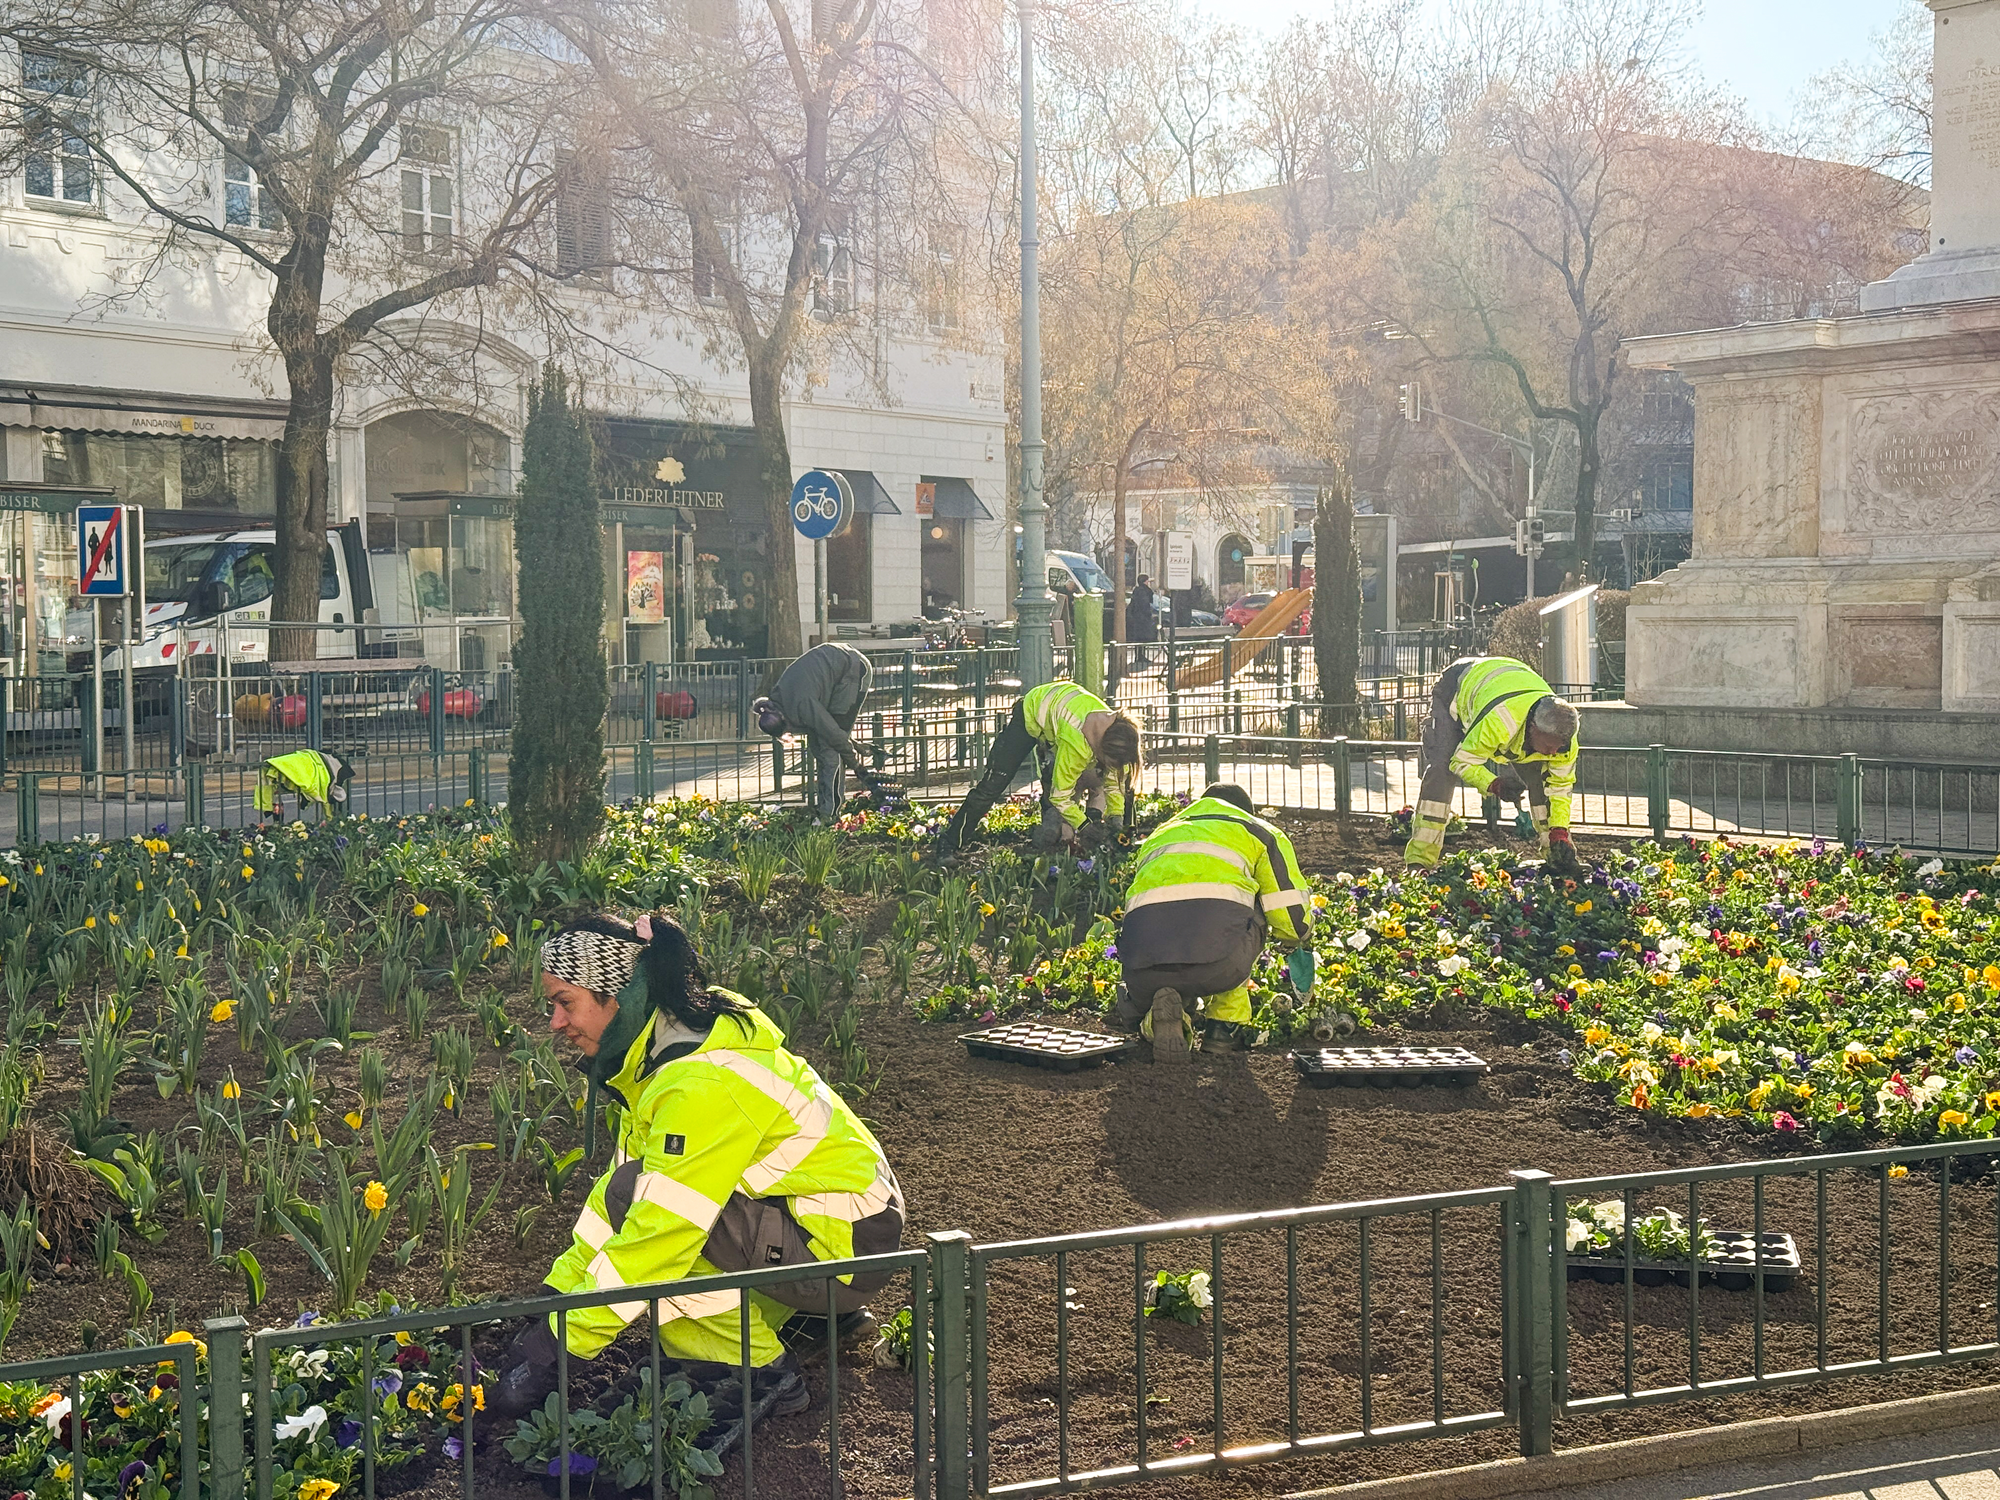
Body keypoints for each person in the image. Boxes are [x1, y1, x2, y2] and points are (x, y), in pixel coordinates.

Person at [492, 913, 905, 1430]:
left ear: (617, 996)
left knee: (674, 1258)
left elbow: (662, 1234)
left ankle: (755, 1370)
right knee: (638, 1201)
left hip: (842, 1252)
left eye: (565, 1002)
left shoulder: (700, 1080)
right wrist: (557, 1299)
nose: (555, 1023)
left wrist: (562, 1344)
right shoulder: (660, 1056)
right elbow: (618, 1199)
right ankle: (811, 1323)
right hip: (823, 1227)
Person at [1109, 783, 1313, 1056]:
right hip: (1219, 965)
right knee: (1245, 912)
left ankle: (1157, 1022)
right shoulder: (1257, 831)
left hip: (1140, 968)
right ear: (1245, 810)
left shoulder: (1161, 834)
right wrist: (1300, 941)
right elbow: (1290, 916)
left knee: (1186, 928)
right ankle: (1223, 1027)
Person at [1405, 656, 1582, 875]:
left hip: (1507, 684)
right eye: (1548, 746)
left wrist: (1560, 831)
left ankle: (1557, 855)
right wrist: (1494, 784)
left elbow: (1560, 788)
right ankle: (1419, 863)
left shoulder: (1564, 738)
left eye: (1559, 748)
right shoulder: (1500, 721)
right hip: (1456, 689)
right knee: (1442, 771)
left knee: (1542, 780)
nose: (1554, 753)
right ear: (1534, 728)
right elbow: (1462, 761)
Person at [933, 680, 1142, 856]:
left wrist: (1117, 823)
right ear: (1104, 749)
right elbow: (1060, 797)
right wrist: (1087, 827)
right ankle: (948, 844)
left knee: (1125, 787)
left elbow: (1115, 784)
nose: (1112, 768)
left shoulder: (1116, 731)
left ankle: (1055, 843)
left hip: (1056, 719)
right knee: (993, 785)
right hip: (1030, 715)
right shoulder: (1076, 744)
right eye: (1110, 762)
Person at [753, 641, 877, 821]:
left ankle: (830, 813)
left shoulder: (801, 705)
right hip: (837, 665)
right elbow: (827, 728)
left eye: (788, 732)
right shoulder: (779, 700)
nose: (792, 734)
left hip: (853, 671)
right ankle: (825, 804)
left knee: (829, 750)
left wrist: (856, 766)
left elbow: (833, 734)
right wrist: (852, 745)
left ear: (784, 722)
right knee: (819, 743)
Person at [1125, 575, 1158, 669]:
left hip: (1138, 618)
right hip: (1142, 619)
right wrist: (1148, 615)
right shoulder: (1143, 592)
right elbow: (1145, 605)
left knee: (1139, 638)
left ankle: (1139, 655)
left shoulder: (1137, 591)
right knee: (1143, 638)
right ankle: (1141, 656)